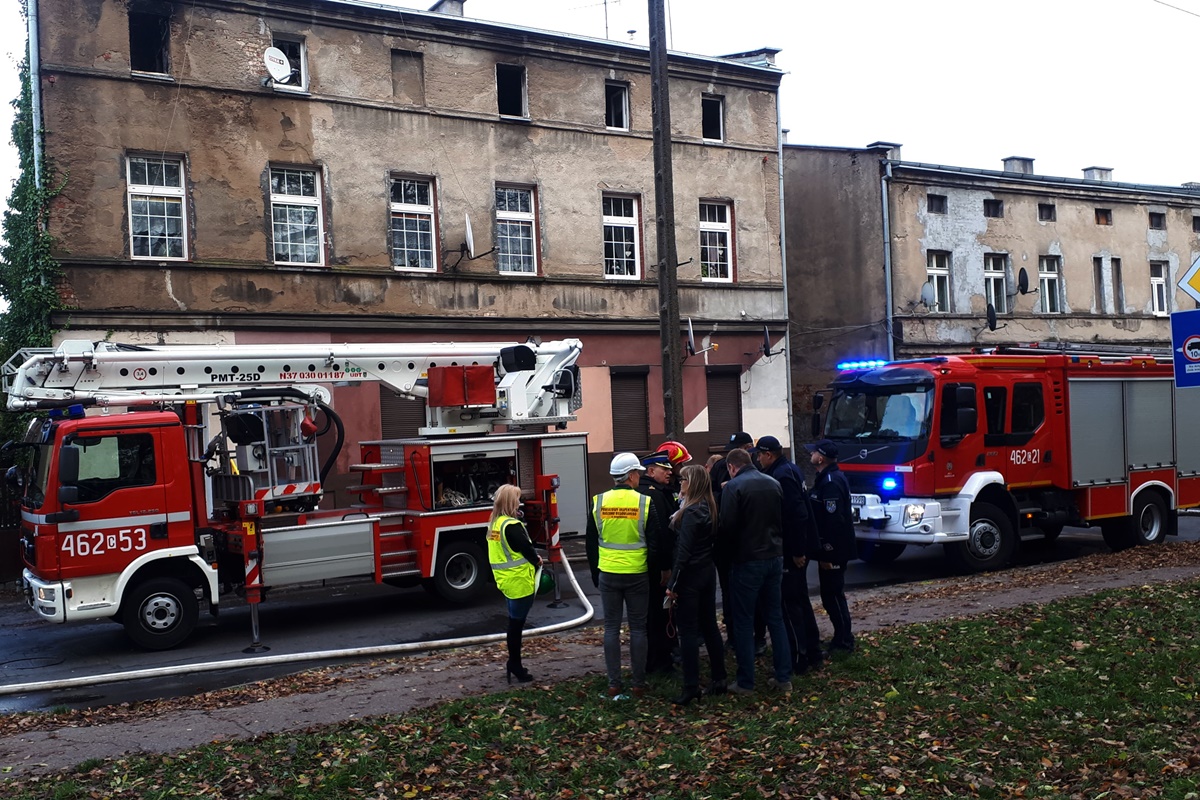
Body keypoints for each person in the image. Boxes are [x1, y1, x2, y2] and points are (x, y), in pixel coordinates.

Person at [586, 452, 662, 700]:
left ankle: (614, 685)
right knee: (638, 629)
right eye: (638, 473)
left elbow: (590, 543)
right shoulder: (645, 502)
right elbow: (655, 544)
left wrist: (596, 572)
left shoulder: (598, 502)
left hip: (608, 572)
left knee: (611, 628)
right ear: (630, 475)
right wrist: (653, 573)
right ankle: (638, 685)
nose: (639, 477)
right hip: (637, 574)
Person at [717, 447, 792, 694]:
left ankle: (746, 681)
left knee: (743, 621)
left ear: (731, 467)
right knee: (775, 618)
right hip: (774, 556)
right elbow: (782, 519)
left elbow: (727, 527)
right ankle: (783, 677)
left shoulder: (733, 487)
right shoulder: (773, 483)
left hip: (746, 560)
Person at [756, 435, 824, 674]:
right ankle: (813, 651)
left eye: (759, 455)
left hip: (793, 551)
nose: (758, 459)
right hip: (799, 547)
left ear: (768, 454)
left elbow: (798, 515)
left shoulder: (782, 475)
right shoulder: (790, 469)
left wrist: (796, 551)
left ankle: (798, 658)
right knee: (801, 601)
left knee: (790, 605)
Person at [665, 464, 728, 705]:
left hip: (690, 575)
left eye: (683, 480)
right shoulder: (709, 507)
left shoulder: (691, 512)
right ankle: (719, 677)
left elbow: (684, 551)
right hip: (706, 572)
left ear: (692, 484)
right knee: (709, 625)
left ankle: (691, 685)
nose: (679, 483)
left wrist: (673, 581)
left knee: (688, 631)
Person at [488, 483, 543, 684]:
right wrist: (537, 560)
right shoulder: (512, 526)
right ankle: (515, 665)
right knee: (516, 626)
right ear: (511, 502)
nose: (520, 502)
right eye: (518, 499)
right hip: (519, 581)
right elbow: (528, 550)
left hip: (506, 581)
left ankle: (515, 664)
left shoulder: (495, 523)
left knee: (514, 624)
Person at [806, 439, 857, 654]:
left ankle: (844, 641)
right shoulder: (826, 478)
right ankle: (842, 638)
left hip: (834, 550)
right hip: (832, 549)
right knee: (831, 595)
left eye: (814, 452)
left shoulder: (831, 482)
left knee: (833, 595)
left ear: (821, 457)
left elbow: (833, 521)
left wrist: (827, 550)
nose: (811, 455)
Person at [710, 431, 756, 642]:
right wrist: (724, 493)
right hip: (727, 544)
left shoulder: (758, 470)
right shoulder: (721, 467)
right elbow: (709, 497)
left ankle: (756, 635)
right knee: (729, 591)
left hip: (751, 544)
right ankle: (733, 635)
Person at [639, 451, 679, 674]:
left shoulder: (645, 491)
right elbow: (664, 533)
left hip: (642, 564)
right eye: (665, 469)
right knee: (660, 613)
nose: (670, 472)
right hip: (657, 566)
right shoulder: (654, 495)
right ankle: (661, 662)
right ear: (651, 471)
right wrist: (666, 566)